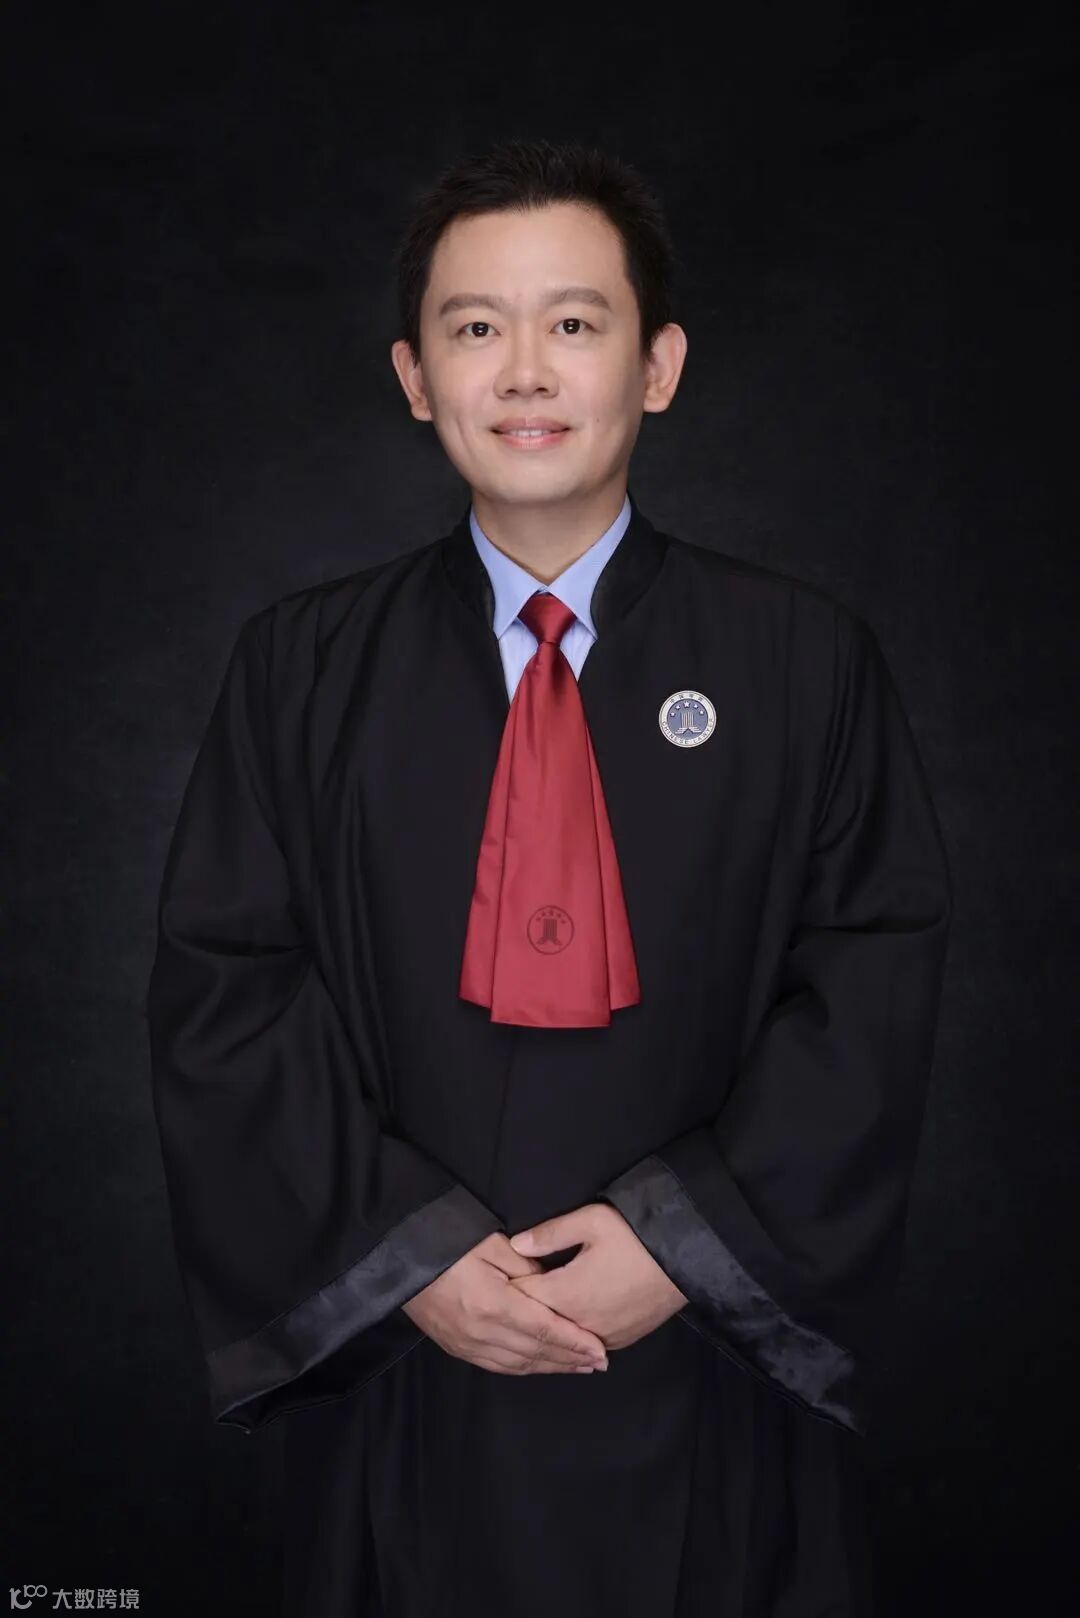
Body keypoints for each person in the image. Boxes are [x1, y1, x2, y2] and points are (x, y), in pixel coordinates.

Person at [146, 137, 952, 1617]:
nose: (525, 371)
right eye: (476, 328)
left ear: (659, 365)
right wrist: (406, 1263)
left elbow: (872, 983)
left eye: (575, 322)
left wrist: (684, 1245)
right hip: (409, 1374)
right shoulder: (298, 670)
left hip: (708, 1367)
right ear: (415, 377)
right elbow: (228, 998)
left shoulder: (804, 661)